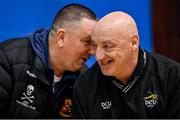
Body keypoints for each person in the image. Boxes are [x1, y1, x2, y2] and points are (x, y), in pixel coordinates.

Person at [72, 11, 180, 118]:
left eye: (107, 46)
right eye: (95, 46)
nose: (99, 56)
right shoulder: (84, 86)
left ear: (133, 42)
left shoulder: (172, 76)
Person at [0, 3, 97, 118]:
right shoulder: (7, 58)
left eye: (94, 45)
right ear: (61, 37)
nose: (93, 52)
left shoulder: (84, 79)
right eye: (87, 42)